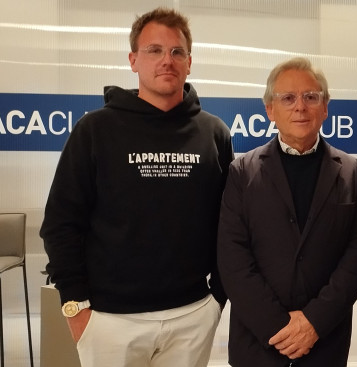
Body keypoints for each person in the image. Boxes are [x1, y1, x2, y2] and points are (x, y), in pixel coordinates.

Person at [40, 7, 233, 367]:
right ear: (133, 60)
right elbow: (61, 223)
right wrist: (76, 308)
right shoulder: (94, 130)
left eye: (177, 52)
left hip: (191, 315)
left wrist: (216, 299)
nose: (167, 61)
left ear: (189, 62)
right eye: (154, 50)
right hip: (109, 319)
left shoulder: (214, 133)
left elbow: (229, 223)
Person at [217, 57, 357, 367]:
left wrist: (314, 323)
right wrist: (278, 327)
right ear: (270, 110)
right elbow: (232, 258)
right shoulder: (241, 172)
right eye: (287, 98)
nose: (300, 107)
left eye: (311, 96)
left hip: (325, 341)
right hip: (258, 343)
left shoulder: (351, 173)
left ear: (325, 106)